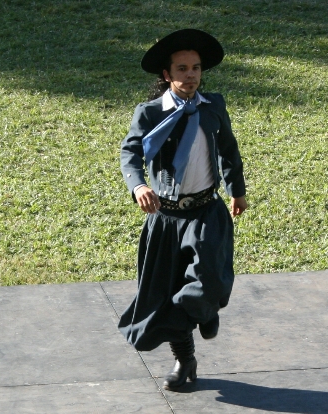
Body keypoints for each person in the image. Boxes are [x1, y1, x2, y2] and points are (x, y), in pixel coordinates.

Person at [118, 28, 247, 390]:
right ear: (167, 74)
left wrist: (237, 191)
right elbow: (130, 153)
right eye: (182, 69)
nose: (191, 75)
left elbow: (228, 151)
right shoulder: (149, 113)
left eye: (196, 68)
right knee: (166, 293)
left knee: (207, 280)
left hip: (206, 212)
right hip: (167, 217)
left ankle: (206, 308)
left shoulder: (213, 106)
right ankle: (184, 358)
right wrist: (139, 185)